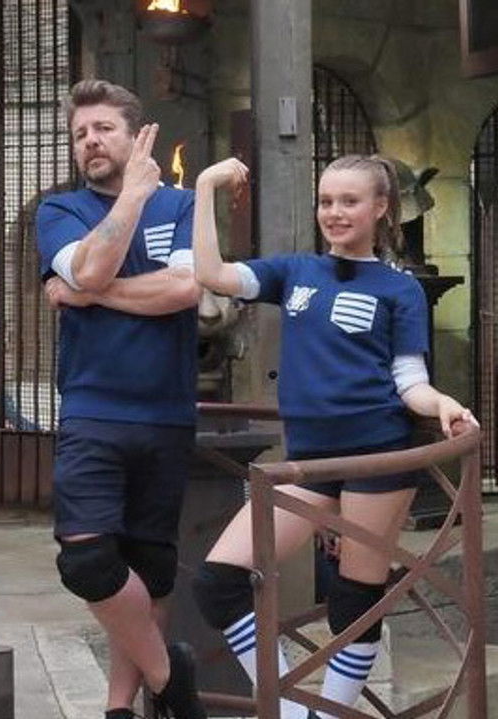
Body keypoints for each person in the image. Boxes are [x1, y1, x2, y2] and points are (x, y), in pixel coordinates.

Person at [189, 154, 477, 719]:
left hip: (378, 459)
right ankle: (293, 710)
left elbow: (410, 381)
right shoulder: (294, 271)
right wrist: (204, 187)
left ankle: (333, 713)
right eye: (326, 201)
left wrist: (443, 404)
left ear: (381, 208)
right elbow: (212, 274)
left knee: (354, 600)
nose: (335, 212)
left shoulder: (400, 290)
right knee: (217, 581)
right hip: (308, 463)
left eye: (350, 201)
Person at [38, 79, 206, 719]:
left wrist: (88, 292)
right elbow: (90, 266)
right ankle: (171, 677)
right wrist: (133, 196)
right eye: (80, 133)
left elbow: (184, 291)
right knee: (87, 563)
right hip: (93, 410)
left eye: (103, 129)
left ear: (136, 137)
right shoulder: (59, 210)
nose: (90, 141)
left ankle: (119, 708)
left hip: (167, 412)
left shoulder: (185, 205)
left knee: (151, 569)